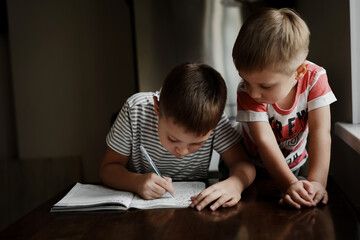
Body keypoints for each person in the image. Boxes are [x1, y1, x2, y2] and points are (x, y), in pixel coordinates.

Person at [99, 62, 256, 211]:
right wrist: (136, 182)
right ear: (157, 108)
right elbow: (108, 169)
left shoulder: (215, 119)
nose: (182, 151)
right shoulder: (135, 111)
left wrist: (235, 184)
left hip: (192, 209)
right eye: (173, 139)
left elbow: (243, 164)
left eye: (197, 144)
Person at [232, 8, 336, 209]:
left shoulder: (315, 79)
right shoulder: (246, 91)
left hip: (292, 168)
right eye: (245, 79)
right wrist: (289, 184)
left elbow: (320, 133)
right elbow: (264, 140)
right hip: (248, 170)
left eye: (265, 86)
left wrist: (316, 183)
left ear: (299, 72)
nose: (253, 93)